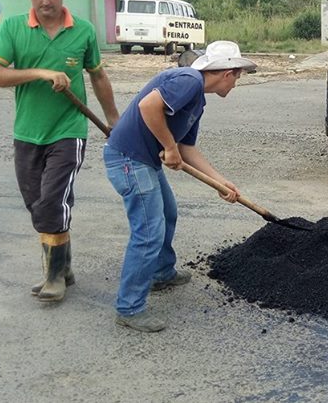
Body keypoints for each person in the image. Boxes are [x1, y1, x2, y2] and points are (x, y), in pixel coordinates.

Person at [0, 0, 119, 302]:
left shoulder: (83, 31)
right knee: (37, 204)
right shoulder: (14, 28)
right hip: (28, 131)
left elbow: (98, 76)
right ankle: (65, 265)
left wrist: (114, 118)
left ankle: (53, 276)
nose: (44, 0)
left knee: (53, 202)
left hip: (69, 129)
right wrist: (41, 73)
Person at [104, 40, 255, 332]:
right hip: (128, 159)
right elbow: (149, 106)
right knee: (148, 232)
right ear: (228, 73)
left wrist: (220, 182)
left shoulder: (197, 100)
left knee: (168, 212)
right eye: (238, 76)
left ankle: (161, 273)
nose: (236, 83)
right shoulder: (189, 80)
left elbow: (187, 149)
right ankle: (129, 307)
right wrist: (168, 147)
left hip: (142, 160)